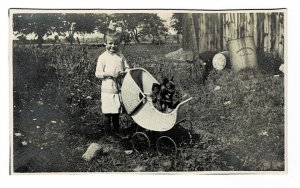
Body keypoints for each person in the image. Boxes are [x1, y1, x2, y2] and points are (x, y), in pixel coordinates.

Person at [95, 31, 129, 138]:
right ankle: (108, 134)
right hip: (107, 89)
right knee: (107, 112)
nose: (113, 46)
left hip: (118, 88)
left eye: (115, 43)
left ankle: (116, 131)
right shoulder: (103, 57)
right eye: (110, 43)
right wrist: (110, 74)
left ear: (119, 43)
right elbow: (98, 73)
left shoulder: (120, 56)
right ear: (105, 43)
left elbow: (127, 67)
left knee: (116, 111)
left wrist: (126, 71)